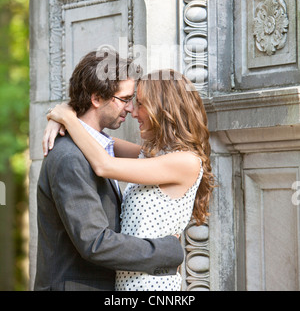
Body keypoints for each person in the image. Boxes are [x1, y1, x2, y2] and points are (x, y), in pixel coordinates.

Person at [44, 65, 215, 291]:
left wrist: (69, 119)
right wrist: (66, 112)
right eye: (129, 101)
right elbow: (99, 140)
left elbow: (104, 164)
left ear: (163, 109)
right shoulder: (152, 156)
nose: (133, 112)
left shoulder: (185, 162)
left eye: (141, 104)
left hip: (151, 284)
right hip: (127, 282)